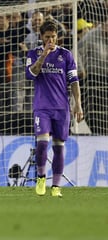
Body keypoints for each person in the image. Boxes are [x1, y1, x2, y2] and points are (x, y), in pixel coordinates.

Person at [25, 20, 83, 197]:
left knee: (59, 147)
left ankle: (56, 187)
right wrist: (44, 55)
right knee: (42, 143)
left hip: (62, 108)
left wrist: (78, 104)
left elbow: (74, 82)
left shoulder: (66, 55)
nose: (51, 40)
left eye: (53, 37)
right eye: (47, 37)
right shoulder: (34, 53)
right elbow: (30, 74)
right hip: (42, 107)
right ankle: (41, 178)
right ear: (41, 37)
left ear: (57, 36)